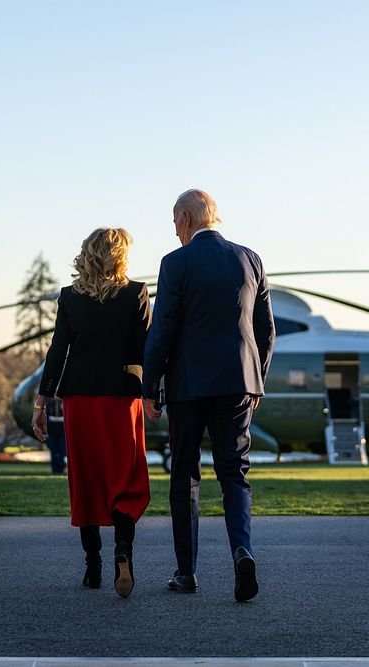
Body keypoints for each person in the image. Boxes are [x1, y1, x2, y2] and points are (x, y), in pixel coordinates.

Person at [143, 189, 275, 602]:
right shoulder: (250, 259)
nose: (173, 230)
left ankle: (187, 572)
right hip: (239, 383)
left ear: (186, 217)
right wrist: (258, 380)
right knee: (234, 472)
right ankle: (242, 550)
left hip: (188, 386)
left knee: (185, 475)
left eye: (173, 220)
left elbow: (162, 329)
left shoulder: (175, 263)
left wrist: (150, 388)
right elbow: (265, 330)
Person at [32, 227, 152, 599]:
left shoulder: (69, 297)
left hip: (79, 400)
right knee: (124, 478)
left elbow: (57, 351)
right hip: (121, 398)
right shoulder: (136, 293)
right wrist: (153, 395)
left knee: (86, 479)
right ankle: (123, 552)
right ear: (120, 256)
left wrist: (41, 402)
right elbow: (145, 348)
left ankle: (92, 567)